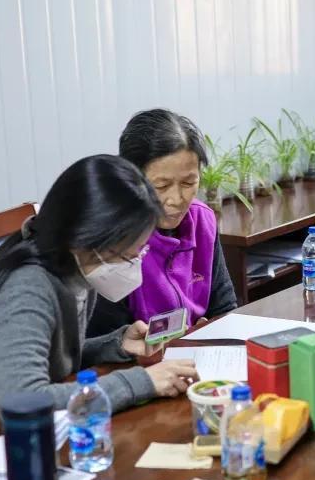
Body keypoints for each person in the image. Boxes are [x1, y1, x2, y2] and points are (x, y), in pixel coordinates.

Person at [0, 155, 197, 434]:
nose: (134, 261)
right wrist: (141, 382)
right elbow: (25, 403)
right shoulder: (23, 289)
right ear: (86, 237)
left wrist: (116, 344)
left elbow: (44, 356)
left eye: (139, 250)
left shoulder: (74, 268)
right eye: (126, 253)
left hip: (16, 437)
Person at [87, 109, 237, 336]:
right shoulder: (112, 239)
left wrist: (208, 331)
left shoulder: (202, 220)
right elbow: (105, 340)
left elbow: (224, 308)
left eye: (188, 183)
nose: (176, 200)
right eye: (161, 186)